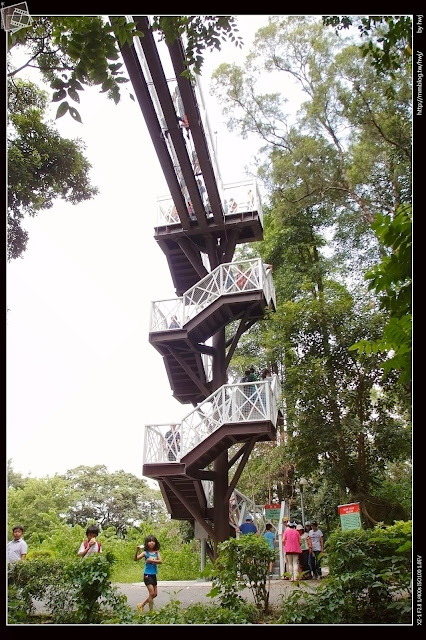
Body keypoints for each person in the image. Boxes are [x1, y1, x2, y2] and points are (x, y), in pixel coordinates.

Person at [134, 535, 163, 612]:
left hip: (154, 575)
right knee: (152, 593)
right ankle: (151, 611)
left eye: (153, 541)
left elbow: (160, 561)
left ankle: (141, 605)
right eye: (149, 541)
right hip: (147, 575)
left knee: (155, 594)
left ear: (155, 543)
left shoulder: (156, 553)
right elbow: (135, 559)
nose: (151, 543)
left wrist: (152, 561)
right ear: (147, 543)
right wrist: (136, 551)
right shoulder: (145, 553)